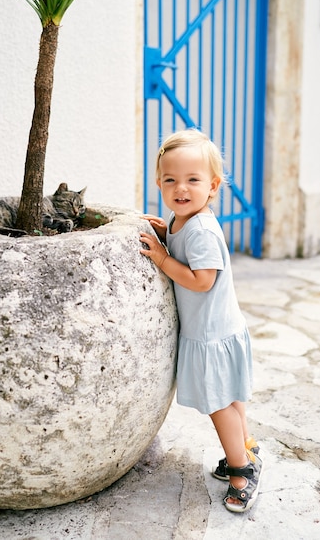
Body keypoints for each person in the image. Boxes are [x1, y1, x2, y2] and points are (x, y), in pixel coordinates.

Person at [139, 128, 262, 513]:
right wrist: (166, 234)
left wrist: (161, 257)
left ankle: (242, 470)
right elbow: (186, 246)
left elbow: (202, 279)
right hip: (219, 329)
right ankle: (245, 447)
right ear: (159, 182)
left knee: (219, 404)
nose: (181, 188)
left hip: (211, 334)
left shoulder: (201, 230)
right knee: (230, 397)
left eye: (193, 180)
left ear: (212, 187)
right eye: (171, 179)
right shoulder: (183, 222)